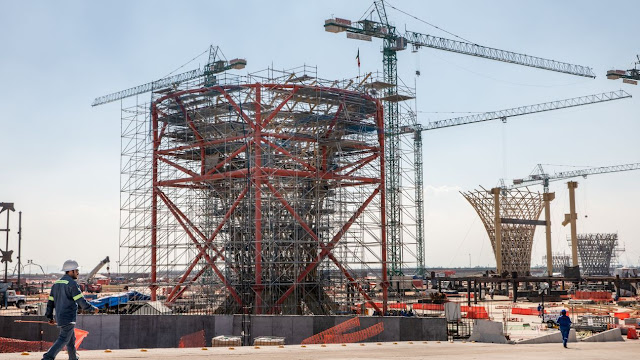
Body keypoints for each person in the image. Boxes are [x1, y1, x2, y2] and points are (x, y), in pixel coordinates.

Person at [42, 260, 99, 360]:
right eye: (76, 270)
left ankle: (73, 358)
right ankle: (47, 357)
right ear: (71, 271)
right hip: (68, 317)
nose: (78, 273)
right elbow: (81, 301)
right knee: (63, 339)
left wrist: (50, 317)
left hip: (60, 317)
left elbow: (50, 302)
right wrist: (92, 309)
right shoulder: (72, 284)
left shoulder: (56, 284)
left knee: (71, 340)